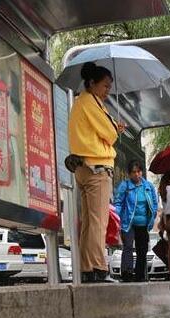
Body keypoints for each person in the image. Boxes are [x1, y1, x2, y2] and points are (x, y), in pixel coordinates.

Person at [68, 62, 126, 283]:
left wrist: (112, 128)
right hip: (97, 168)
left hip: (84, 168)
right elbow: (109, 134)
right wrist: (114, 128)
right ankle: (98, 268)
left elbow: (104, 131)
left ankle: (88, 268)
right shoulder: (91, 102)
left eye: (109, 87)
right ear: (92, 83)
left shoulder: (81, 103)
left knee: (90, 223)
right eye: (104, 86)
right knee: (98, 222)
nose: (107, 91)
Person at [114, 160, 158, 282]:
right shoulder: (125, 186)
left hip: (143, 224)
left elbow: (154, 204)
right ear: (129, 174)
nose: (137, 174)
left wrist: (152, 216)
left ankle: (140, 274)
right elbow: (118, 203)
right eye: (134, 172)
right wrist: (116, 218)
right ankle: (127, 273)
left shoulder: (148, 186)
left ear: (142, 172)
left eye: (139, 171)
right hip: (128, 223)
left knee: (142, 249)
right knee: (128, 246)